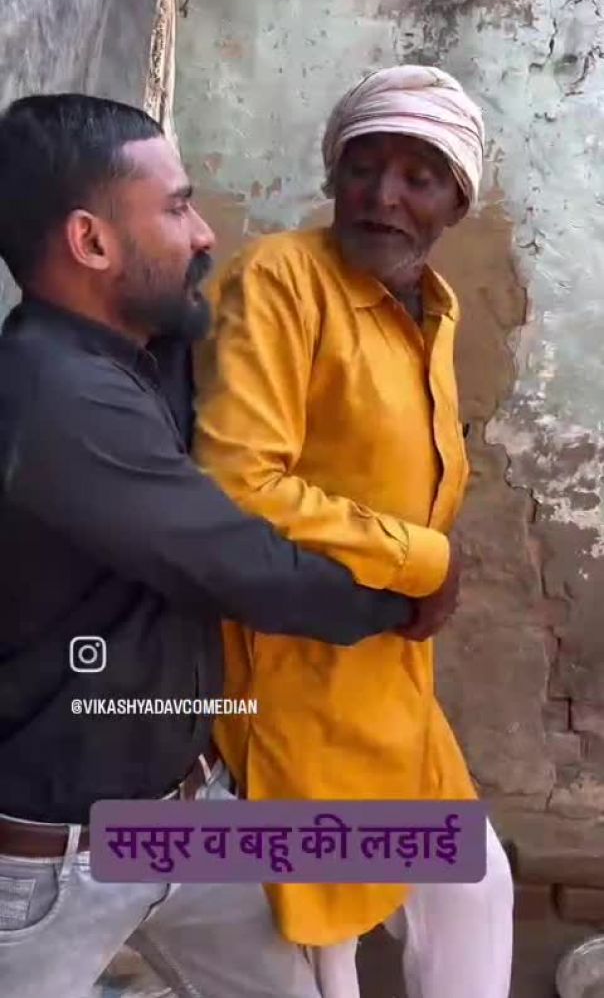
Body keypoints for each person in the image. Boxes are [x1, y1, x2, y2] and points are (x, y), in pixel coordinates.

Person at [0, 93, 422, 998]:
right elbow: (240, 563)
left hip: (185, 822)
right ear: (91, 242)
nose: (203, 235)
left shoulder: (141, 356)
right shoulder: (59, 399)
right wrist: (407, 594)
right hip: (51, 867)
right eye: (177, 207)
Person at [194, 65, 514, 998]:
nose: (383, 196)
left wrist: (419, 568)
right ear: (333, 174)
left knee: (471, 885)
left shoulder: (433, 308)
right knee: (323, 943)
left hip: (389, 677)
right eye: (364, 168)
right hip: (295, 670)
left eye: (420, 177)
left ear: (457, 201)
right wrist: (425, 560)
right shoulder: (280, 280)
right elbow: (237, 481)